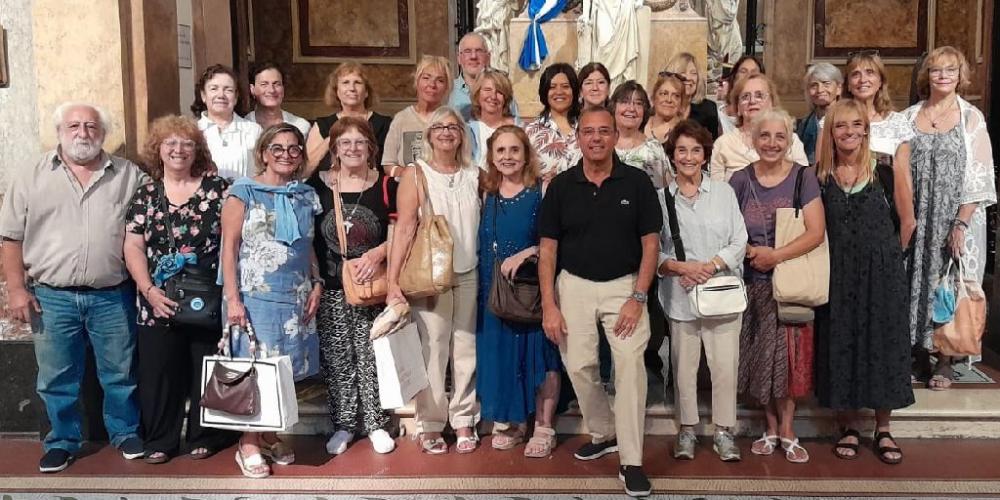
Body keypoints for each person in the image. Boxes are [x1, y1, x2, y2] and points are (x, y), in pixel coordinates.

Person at [0, 102, 146, 472]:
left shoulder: (128, 175)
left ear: (103, 133)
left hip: (112, 294)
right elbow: (10, 237)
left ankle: (125, 432)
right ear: (60, 131)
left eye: (92, 126)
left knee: (120, 371)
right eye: (74, 125)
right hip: (51, 296)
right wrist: (16, 289)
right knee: (56, 377)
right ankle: (62, 441)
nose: (83, 133)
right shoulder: (31, 173)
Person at [539, 107, 662, 497]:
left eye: (604, 131)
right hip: (572, 285)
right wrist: (549, 305)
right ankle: (605, 431)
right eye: (588, 132)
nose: (596, 138)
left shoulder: (637, 183)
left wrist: (638, 297)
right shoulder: (561, 186)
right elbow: (547, 249)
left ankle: (631, 461)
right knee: (578, 364)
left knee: (628, 368)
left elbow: (651, 245)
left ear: (614, 137)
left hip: (624, 287)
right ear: (578, 138)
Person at [123, 115, 234, 464]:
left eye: (187, 143)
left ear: (197, 150)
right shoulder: (146, 194)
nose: (179, 149)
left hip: (208, 297)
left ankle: (207, 435)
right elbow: (132, 246)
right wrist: (148, 290)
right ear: (158, 150)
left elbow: (235, 240)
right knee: (159, 372)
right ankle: (161, 439)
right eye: (171, 143)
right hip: (157, 299)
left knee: (206, 365)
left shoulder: (219, 189)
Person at [813, 99, 915, 465]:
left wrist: (888, 259)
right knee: (842, 342)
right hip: (837, 274)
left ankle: (883, 428)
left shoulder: (885, 170)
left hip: (882, 274)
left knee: (883, 344)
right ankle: (849, 425)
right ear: (831, 132)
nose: (849, 132)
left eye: (857, 124)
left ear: (866, 129)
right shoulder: (819, 176)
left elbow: (908, 222)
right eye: (841, 126)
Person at [220, 123, 323, 478]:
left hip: (293, 294)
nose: (286, 155)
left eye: (294, 149)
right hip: (254, 295)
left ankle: (267, 433)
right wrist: (233, 299)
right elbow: (229, 248)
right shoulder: (242, 192)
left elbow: (307, 243)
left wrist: (317, 282)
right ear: (263, 152)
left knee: (283, 368)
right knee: (256, 367)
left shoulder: (305, 195)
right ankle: (247, 442)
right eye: (277, 148)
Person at [728, 108, 825, 464]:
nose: (771, 143)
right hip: (751, 283)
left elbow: (816, 232)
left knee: (788, 360)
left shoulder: (803, 178)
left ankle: (788, 427)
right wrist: (753, 251)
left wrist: (776, 255)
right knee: (760, 360)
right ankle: (769, 426)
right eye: (764, 136)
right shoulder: (739, 180)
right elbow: (728, 229)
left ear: (789, 141)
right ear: (754, 140)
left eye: (779, 137)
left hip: (790, 283)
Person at [385, 107, 481, 455]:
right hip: (431, 274)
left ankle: (464, 418)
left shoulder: (475, 174)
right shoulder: (417, 174)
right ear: (428, 135)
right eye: (438, 127)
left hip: (468, 270)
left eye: (453, 127)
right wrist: (393, 279)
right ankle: (430, 423)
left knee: (466, 347)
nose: (446, 132)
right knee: (434, 349)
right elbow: (406, 227)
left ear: (462, 135)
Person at [901, 46, 997, 389]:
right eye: (936, 70)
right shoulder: (910, 116)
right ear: (927, 75)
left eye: (950, 70)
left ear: (961, 76)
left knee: (949, 285)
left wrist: (960, 223)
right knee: (915, 279)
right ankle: (917, 353)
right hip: (917, 216)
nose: (943, 76)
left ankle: (944, 358)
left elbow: (980, 174)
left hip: (953, 216)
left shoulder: (971, 117)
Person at [657, 120, 747, 462]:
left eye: (696, 150)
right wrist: (681, 268)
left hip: (721, 292)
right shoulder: (661, 199)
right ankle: (687, 430)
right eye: (682, 150)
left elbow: (740, 240)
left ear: (706, 155)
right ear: (672, 156)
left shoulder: (723, 193)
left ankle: (724, 431)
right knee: (683, 367)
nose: (689, 156)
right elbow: (655, 250)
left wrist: (709, 266)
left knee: (725, 366)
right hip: (681, 296)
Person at [307, 117, 397, 456]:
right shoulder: (320, 186)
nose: (353, 149)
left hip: (373, 284)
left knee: (371, 354)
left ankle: (375, 423)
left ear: (371, 148)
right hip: (331, 284)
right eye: (345, 143)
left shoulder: (385, 185)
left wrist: (378, 253)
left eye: (360, 142)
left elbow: (402, 233)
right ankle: (344, 424)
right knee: (338, 357)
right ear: (335, 150)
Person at [477, 125, 561, 458]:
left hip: (532, 289)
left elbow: (556, 241)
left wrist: (526, 253)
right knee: (502, 357)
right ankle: (513, 422)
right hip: (494, 292)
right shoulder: (487, 192)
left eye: (514, 150)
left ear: (526, 153)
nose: (508, 157)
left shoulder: (542, 189)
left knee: (541, 356)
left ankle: (543, 425)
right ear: (492, 157)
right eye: (501, 151)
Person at [710, 74, 808, 181]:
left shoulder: (790, 139)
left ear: (771, 103)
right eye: (745, 97)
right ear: (738, 107)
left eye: (759, 95)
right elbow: (717, 192)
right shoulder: (723, 144)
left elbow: (804, 182)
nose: (752, 101)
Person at [305, 62, 392, 176]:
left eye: (357, 82)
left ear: (366, 92)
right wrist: (329, 140)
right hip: (329, 190)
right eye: (345, 82)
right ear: (336, 92)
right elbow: (304, 171)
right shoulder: (323, 125)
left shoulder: (386, 124)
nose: (352, 88)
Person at [382, 56, 452, 176]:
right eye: (426, 78)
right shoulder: (401, 119)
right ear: (417, 81)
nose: (432, 85)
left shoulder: (452, 120)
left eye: (440, 80)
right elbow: (388, 164)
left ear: (447, 87)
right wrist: (409, 175)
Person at [192, 64, 263, 179]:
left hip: (245, 196)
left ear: (235, 97)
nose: (221, 95)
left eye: (228, 90)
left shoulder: (253, 130)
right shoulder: (192, 131)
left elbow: (263, 173)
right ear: (203, 95)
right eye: (214, 89)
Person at [525, 63, 582, 180]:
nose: (559, 92)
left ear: (574, 91)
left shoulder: (587, 127)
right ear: (545, 92)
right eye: (552, 87)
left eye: (565, 86)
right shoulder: (530, 132)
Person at [612, 80, 672, 189]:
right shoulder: (601, 146)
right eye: (625, 102)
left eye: (638, 103)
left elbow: (664, 194)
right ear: (614, 107)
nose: (631, 109)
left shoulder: (654, 149)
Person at [448, 32, 519, 122]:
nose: (473, 56)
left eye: (479, 51)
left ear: (488, 57)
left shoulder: (502, 91)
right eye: (467, 51)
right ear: (459, 58)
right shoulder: (448, 91)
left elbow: (517, 127)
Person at [467, 70, 519, 169]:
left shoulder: (520, 128)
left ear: (506, 97)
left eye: (499, 92)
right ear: (478, 94)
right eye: (487, 90)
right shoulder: (468, 131)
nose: (493, 96)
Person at [661, 52, 721, 139]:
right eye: (683, 72)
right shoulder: (662, 108)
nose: (688, 78)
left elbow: (713, 147)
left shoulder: (708, 109)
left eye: (693, 73)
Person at [245, 62, 311, 137]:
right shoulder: (244, 126)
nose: (271, 90)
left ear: (283, 88)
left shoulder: (300, 126)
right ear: (252, 89)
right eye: (264, 84)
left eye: (277, 84)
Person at [796, 63, 842, 165]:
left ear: (838, 88)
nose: (820, 90)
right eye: (814, 85)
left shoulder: (848, 119)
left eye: (826, 84)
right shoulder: (802, 125)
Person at [717, 55, 765, 135]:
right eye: (743, 71)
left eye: (754, 72)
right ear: (734, 77)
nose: (748, 75)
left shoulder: (767, 118)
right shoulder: (717, 116)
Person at [645, 72, 690, 144]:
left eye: (676, 96)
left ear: (681, 102)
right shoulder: (639, 125)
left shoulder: (686, 133)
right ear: (653, 97)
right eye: (664, 94)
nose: (669, 100)